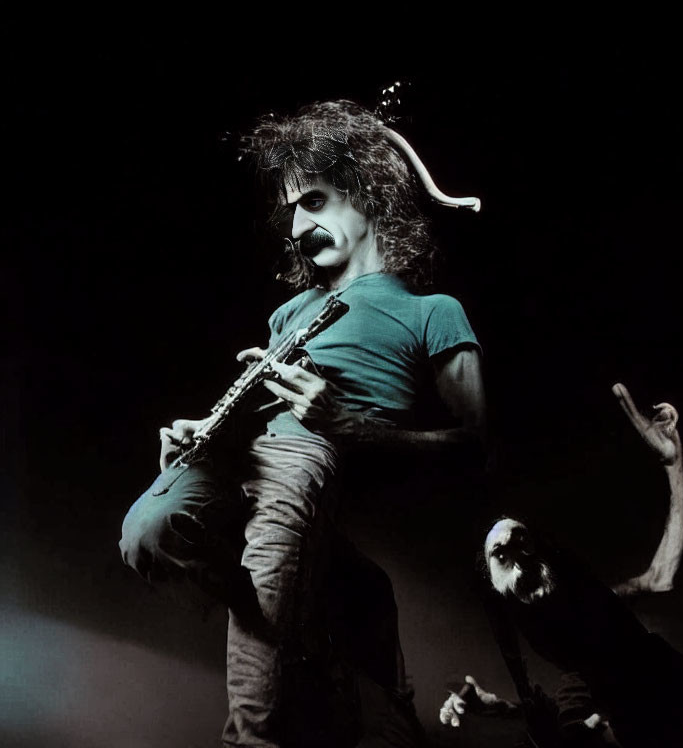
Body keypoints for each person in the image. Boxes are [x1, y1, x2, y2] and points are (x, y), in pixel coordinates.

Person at [119, 100, 487, 748]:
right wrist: (203, 425)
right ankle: (326, 602)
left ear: (368, 195)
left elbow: (476, 446)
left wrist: (346, 422)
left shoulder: (434, 309)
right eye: (289, 209)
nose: (295, 225)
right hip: (246, 448)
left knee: (277, 587)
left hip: (309, 447)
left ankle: (253, 737)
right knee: (148, 534)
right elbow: (256, 398)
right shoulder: (290, 311)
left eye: (311, 201)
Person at [439, 385, 683, 747]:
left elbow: (660, 577)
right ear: (494, 584)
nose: (518, 553)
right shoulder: (557, 659)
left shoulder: (596, 611)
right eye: (501, 552)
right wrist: (498, 707)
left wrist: (674, 466)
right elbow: (572, 714)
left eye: (523, 540)